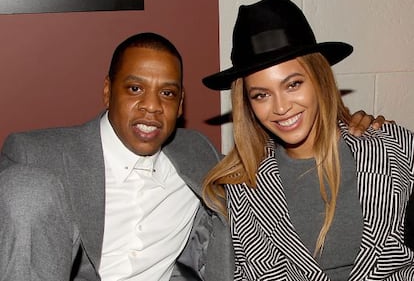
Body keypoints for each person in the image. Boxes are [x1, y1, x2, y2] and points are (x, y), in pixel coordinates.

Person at [0, 31, 382, 281]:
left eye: (167, 93)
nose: (151, 107)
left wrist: (349, 124)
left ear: (181, 102)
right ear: (107, 91)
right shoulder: (35, 156)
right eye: (135, 88)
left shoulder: (196, 152)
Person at [202, 0, 414, 281]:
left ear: (319, 79)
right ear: (248, 104)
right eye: (261, 94)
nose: (280, 107)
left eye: (293, 84)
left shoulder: (393, 147)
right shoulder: (244, 188)